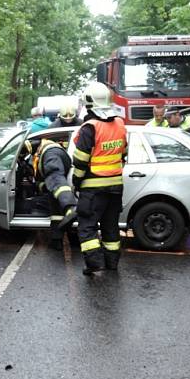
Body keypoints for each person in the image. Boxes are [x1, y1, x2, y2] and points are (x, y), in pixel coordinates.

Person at [72, 81, 127, 274]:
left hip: (93, 188)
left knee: (87, 226)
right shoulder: (120, 124)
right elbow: (123, 153)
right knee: (110, 226)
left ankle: (94, 263)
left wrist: (76, 182)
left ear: (89, 103)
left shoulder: (90, 128)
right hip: (116, 186)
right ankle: (112, 263)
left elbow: (80, 161)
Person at [25, 138, 78, 250]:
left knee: (55, 178)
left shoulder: (47, 153)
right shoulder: (51, 148)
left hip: (53, 157)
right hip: (61, 158)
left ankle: (70, 207)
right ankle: (57, 241)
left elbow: (53, 176)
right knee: (55, 209)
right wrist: (44, 186)